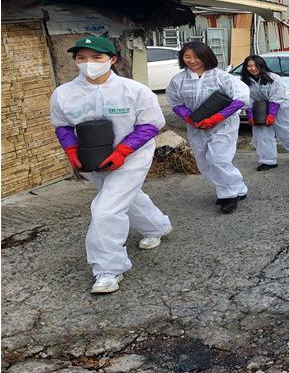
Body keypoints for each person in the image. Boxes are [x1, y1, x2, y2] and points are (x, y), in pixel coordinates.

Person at [50, 36, 171, 294]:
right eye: (82, 58)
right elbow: (62, 125)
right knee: (125, 197)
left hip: (132, 156)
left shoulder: (134, 90)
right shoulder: (64, 94)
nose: (88, 63)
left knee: (106, 209)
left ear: (112, 60)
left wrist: (124, 151)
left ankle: (108, 269)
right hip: (92, 158)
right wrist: (71, 150)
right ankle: (157, 226)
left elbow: (151, 123)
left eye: (97, 58)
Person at [166, 42, 249, 214]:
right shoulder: (178, 80)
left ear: (206, 56)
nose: (192, 60)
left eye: (196, 57)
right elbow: (175, 102)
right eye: (187, 57)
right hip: (197, 126)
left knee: (218, 159)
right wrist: (190, 119)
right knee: (204, 163)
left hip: (223, 125)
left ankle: (228, 195)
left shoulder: (221, 76)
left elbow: (240, 98)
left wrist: (216, 118)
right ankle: (236, 187)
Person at [241, 55, 289, 171]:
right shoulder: (245, 81)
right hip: (260, 109)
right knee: (261, 134)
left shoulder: (273, 78)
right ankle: (268, 161)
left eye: (255, 65)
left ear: (261, 65)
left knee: (285, 132)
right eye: (249, 66)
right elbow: (248, 99)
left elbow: (277, 97)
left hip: (280, 108)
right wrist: (251, 115)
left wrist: (271, 114)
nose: (252, 68)